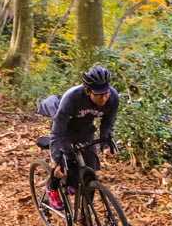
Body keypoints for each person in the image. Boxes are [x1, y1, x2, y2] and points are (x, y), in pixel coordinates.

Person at [45, 65, 119, 211]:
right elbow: (57, 132)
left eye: (106, 93)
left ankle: (87, 216)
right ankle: (52, 188)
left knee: (90, 173)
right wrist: (57, 158)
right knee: (62, 165)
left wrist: (106, 145)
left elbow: (107, 124)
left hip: (85, 130)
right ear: (88, 91)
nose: (104, 98)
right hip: (64, 131)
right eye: (99, 95)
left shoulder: (113, 98)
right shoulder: (72, 98)